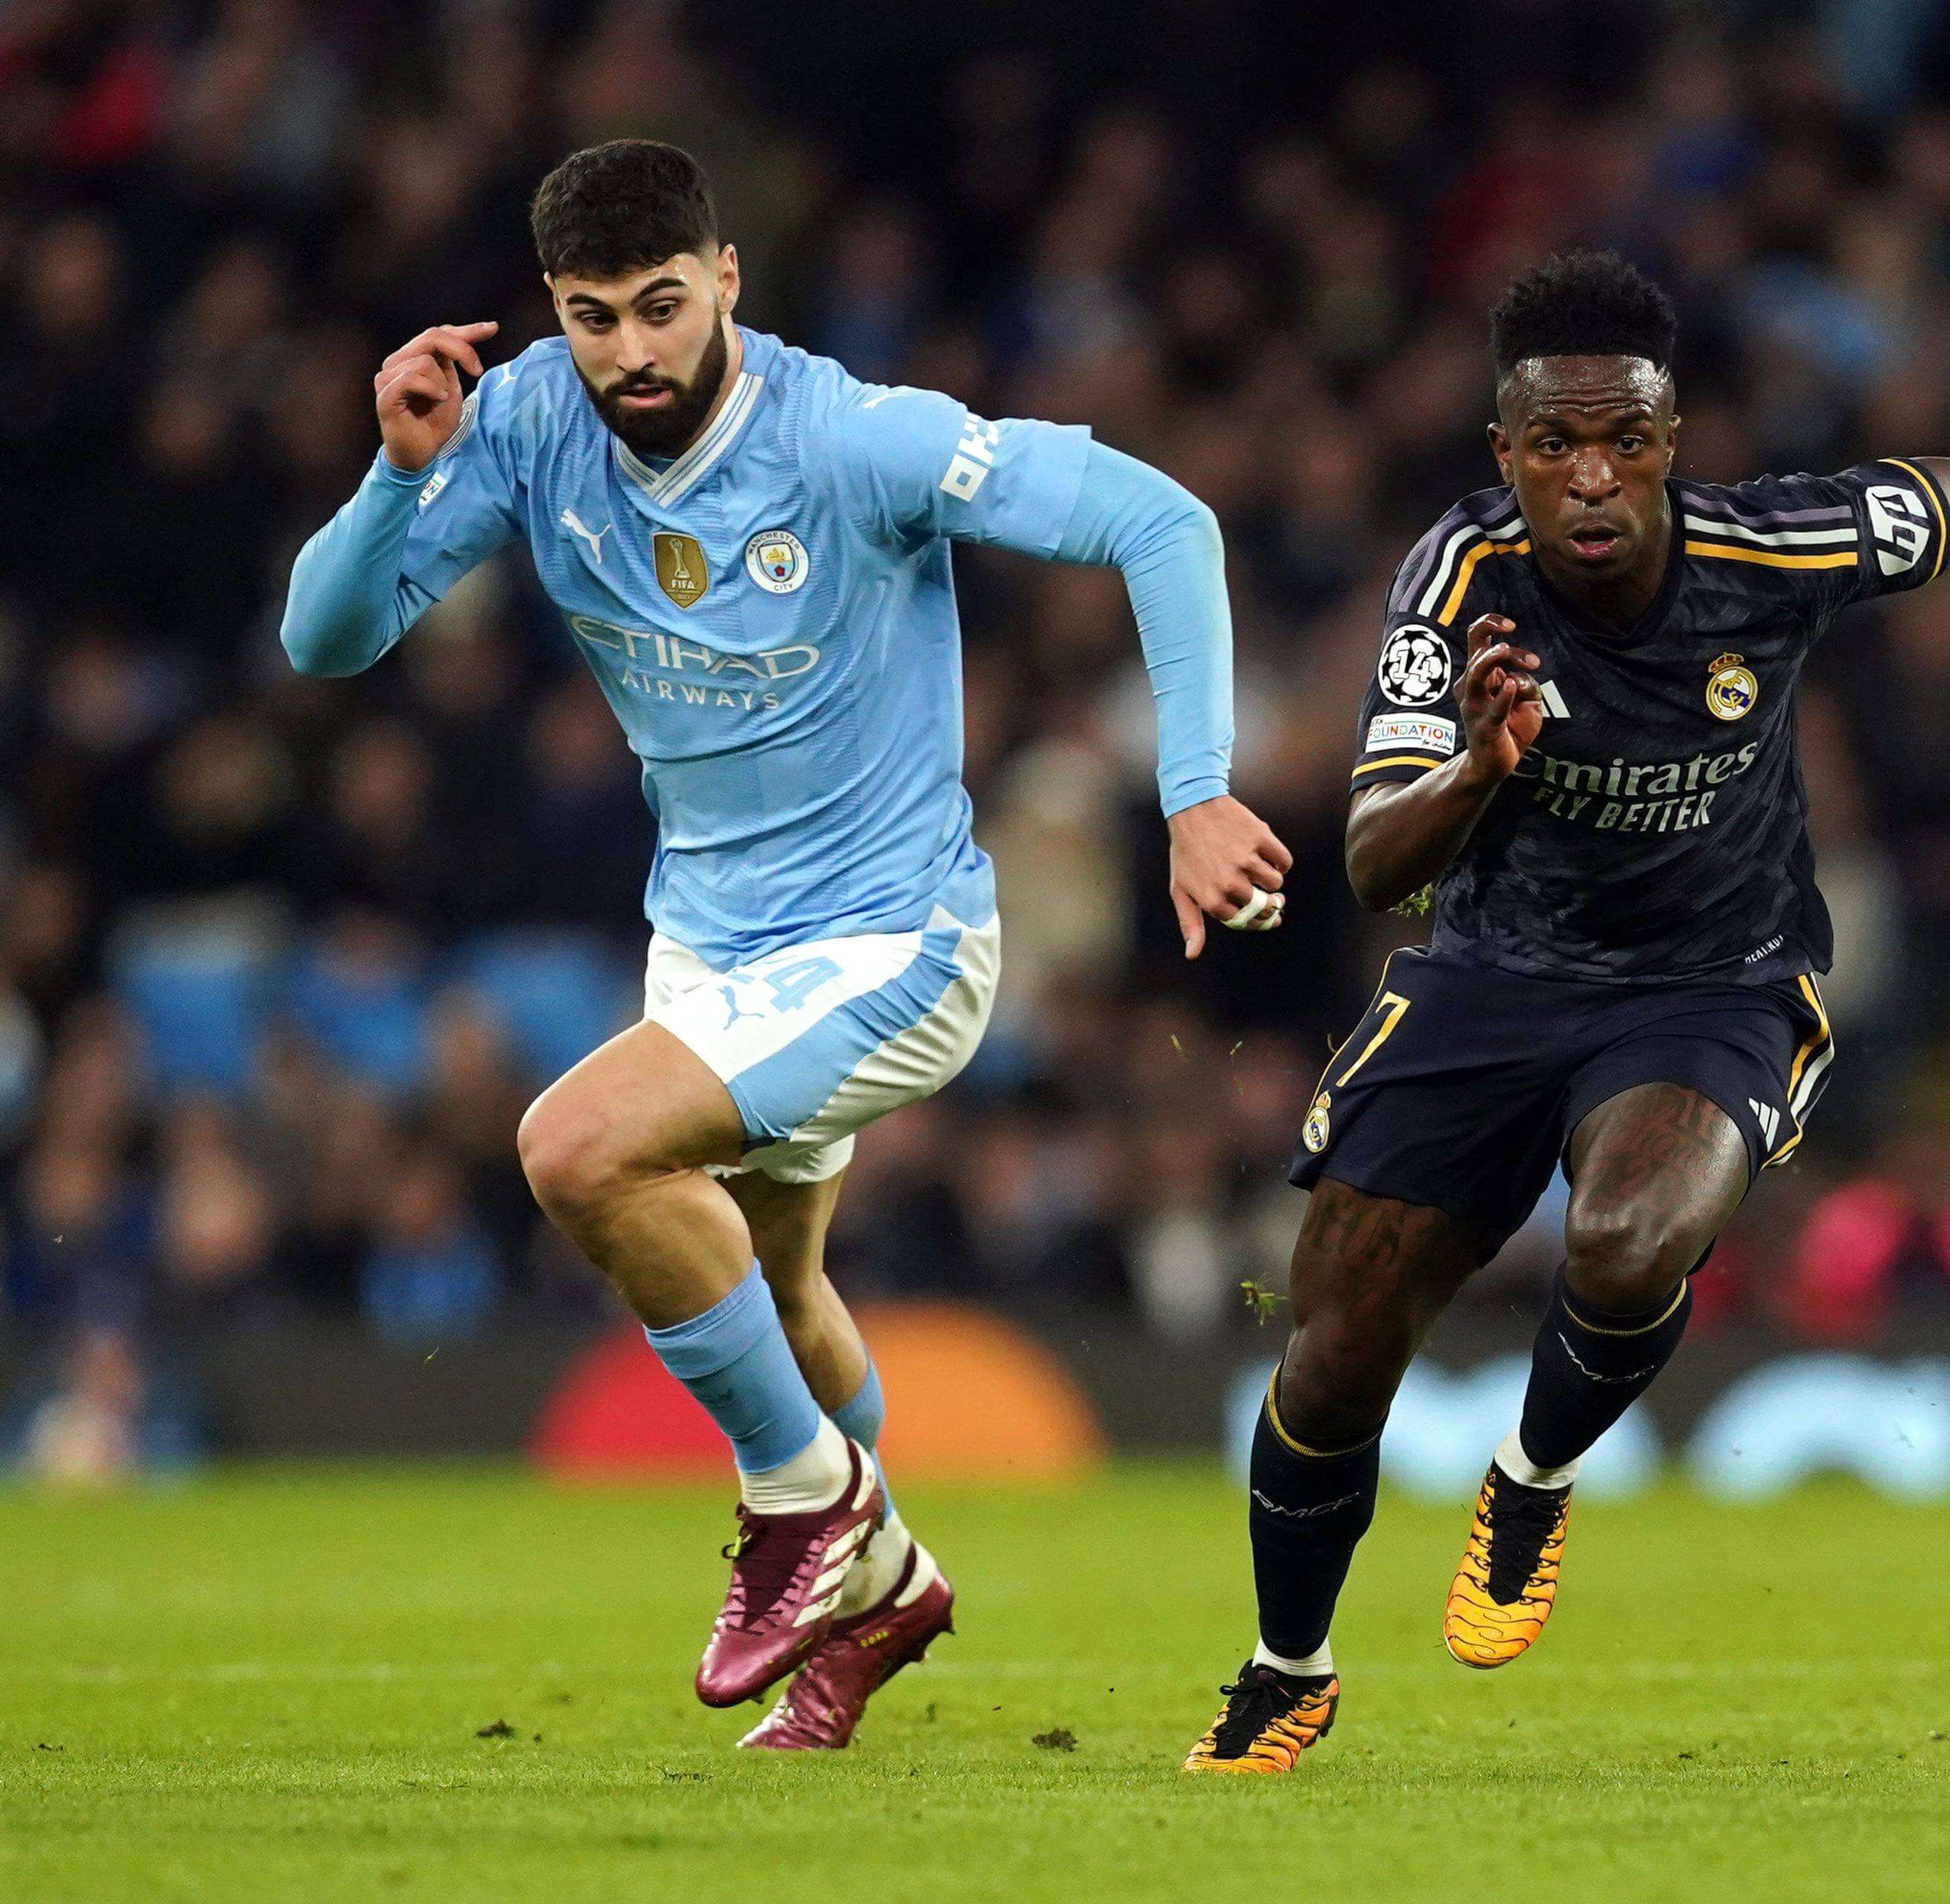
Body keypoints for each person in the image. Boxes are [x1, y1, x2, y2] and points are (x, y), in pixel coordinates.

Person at [280, 140, 1291, 1751]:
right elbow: (324, 641)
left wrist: (1192, 795)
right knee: (780, 1287)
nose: (632, 353)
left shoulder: (852, 437)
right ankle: (880, 1583)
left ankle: (812, 1515)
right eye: (594, 316)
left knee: (576, 1150)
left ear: (728, 279)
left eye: (663, 308)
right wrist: (398, 473)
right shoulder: (534, 420)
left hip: (895, 937)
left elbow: (1160, 522)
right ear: (556, 311)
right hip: (710, 948)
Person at [1184, 251, 1950, 1772]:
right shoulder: (1455, 582)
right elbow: (1368, 858)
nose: (1592, 479)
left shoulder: (1772, 545)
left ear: (1673, 442)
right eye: (1554, 448)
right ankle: (1288, 1669)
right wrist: (1479, 766)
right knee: (1334, 1352)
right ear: (1505, 456)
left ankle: (1531, 1476)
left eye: (1626, 444)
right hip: (1489, 975)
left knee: (1627, 1237)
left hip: (1712, 984)